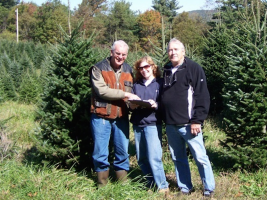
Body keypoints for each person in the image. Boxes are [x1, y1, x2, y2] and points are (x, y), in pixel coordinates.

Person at [161, 38, 215, 197]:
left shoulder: (193, 68)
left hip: (189, 124)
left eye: (176, 49)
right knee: (178, 157)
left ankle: (209, 188)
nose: (173, 52)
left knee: (200, 157)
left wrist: (197, 120)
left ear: (183, 52)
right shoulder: (166, 70)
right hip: (171, 124)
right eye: (170, 50)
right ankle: (185, 187)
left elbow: (202, 96)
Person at [90, 40, 139, 188]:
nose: (120, 57)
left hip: (121, 117)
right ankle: (102, 184)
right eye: (117, 53)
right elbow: (102, 91)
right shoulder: (98, 68)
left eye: (123, 54)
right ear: (111, 52)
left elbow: (133, 93)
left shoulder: (129, 70)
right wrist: (124, 94)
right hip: (101, 116)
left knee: (123, 150)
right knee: (100, 151)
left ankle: (122, 184)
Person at [129, 56, 169, 194]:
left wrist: (155, 104)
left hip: (152, 123)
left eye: (147, 67)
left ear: (152, 67)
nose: (144, 70)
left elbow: (165, 104)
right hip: (138, 124)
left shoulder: (159, 83)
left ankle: (163, 186)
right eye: (141, 68)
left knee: (154, 156)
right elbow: (130, 105)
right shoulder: (136, 85)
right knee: (142, 157)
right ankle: (150, 183)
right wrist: (133, 104)